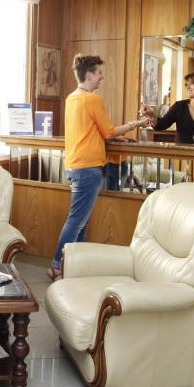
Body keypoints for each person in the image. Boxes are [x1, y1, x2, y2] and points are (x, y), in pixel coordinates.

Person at [49, 54, 149, 281]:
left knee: (81, 222)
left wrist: (120, 139)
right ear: (89, 74)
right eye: (99, 73)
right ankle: (56, 266)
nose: (102, 77)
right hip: (88, 168)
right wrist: (136, 124)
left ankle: (74, 267)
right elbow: (108, 131)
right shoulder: (92, 99)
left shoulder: (71, 98)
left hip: (75, 165)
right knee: (76, 221)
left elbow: (91, 130)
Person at [141, 71, 194, 145]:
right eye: (186, 84)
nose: (187, 87)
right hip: (181, 157)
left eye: (192, 83)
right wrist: (151, 115)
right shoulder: (179, 106)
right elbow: (160, 125)